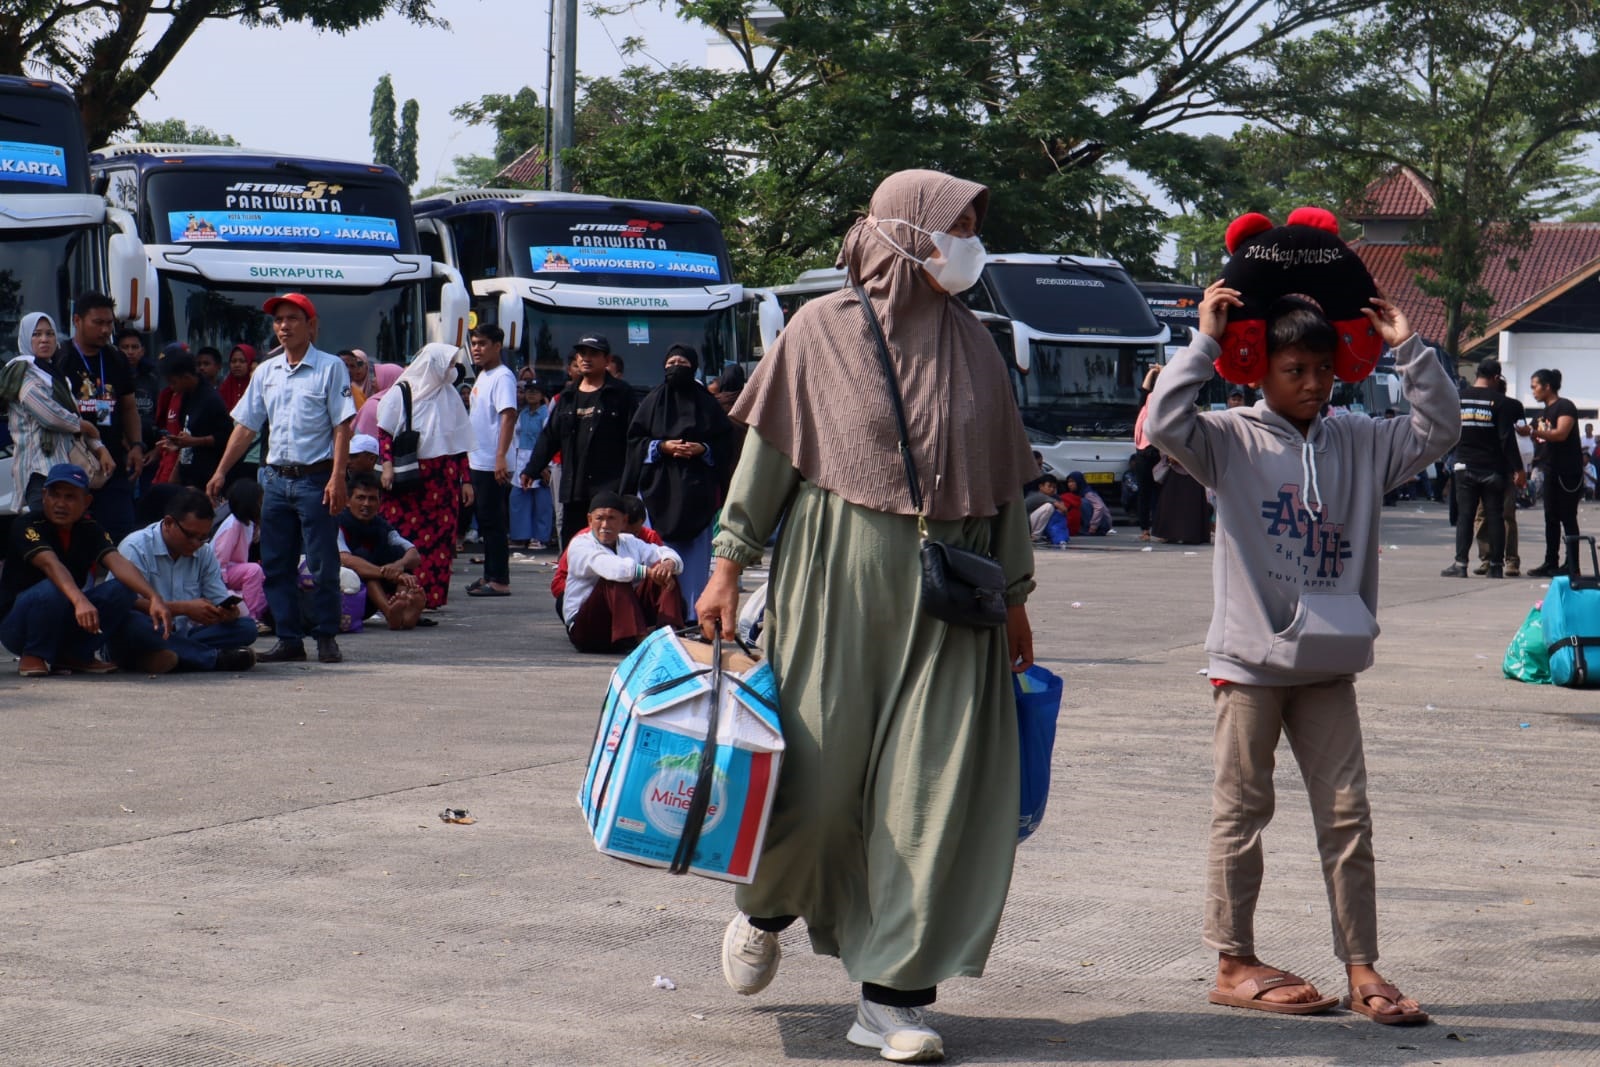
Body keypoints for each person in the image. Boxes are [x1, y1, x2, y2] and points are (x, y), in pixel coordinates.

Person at [696, 170, 1037, 1063]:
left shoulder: (978, 347)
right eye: (956, 225)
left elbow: (1002, 487)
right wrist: (727, 565)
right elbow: (764, 464)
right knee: (811, 777)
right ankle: (764, 906)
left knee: (931, 794)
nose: (969, 242)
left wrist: (1020, 599)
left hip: (954, 596)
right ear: (905, 234)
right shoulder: (817, 334)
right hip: (832, 579)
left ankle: (891, 1000)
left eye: (973, 224)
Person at [1145, 281, 1456, 1027]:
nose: (1313, 383)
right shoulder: (1227, 440)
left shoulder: (1361, 440)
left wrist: (1408, 347)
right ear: (1260, 369)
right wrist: (1205, 341)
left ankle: (1362, 965)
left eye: (1322, 367)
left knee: (1349, 816)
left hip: (1328, 664)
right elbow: (1162, 423)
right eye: (1294, 369)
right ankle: (1232, 958)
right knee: (1242, 811)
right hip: (1250, 664)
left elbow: (1439, 428)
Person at [206, 292, 355, 665]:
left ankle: (325, 636)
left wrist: (338, 478)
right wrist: (221, 470)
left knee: (322, 565)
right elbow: (245, 427)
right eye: (278, 320)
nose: (284, 326)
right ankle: (289, 638)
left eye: (292, 319)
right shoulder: (266, 372)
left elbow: (342, 426)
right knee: (276, 565)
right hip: (273, 479)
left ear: (311, 325)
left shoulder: (330, 367)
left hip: (315, 479)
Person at [0, 464, 173, 677]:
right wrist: (80, 600)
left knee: (122, 589)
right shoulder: (27, 524)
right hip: (17, 624)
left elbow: (117, 562)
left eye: (70, 497)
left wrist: (153, 596)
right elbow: (51, 564)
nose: (60, 504)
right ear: (44, 496)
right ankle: (34, 654)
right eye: (55, 495)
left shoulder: (90, 528)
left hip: (63, 614)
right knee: (54, 587)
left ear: (87, 502)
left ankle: (76, 655)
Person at [623, 344, 734, 620]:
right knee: (657, 553)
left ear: (693, 367)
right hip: (657, 490)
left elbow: (725, 443)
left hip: (697, 493)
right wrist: (661, 447)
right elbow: (635, 440)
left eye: (682, 363)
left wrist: (703, 450)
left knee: (695, 559)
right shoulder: (652, 401)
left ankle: (691, 616)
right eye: (671, 361)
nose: (676, 367)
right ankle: (657, 612)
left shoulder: (708, 405)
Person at [110, 488, 259, 673]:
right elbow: (124, 603)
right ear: (169, 523)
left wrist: (227, 613)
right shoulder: (136, 547)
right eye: (190, 535)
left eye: (203, 537)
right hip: (147, 630)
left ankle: (169, 656)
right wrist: (184, 608)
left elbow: (219, 597)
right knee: (135, 625)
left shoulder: (203, 552)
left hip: (180, 634)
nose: (196, 543)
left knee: (246, 627)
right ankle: (212, 658)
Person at [374, 343, 472, 610]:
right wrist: (387, 466)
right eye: (448, 364)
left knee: (440, 539)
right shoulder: (401, 392)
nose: (451, 370)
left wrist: (467, 481)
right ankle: (400, 593)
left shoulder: (449, 395)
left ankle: (430, 598)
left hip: (445, 480)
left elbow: (460, 442)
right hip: (410, 476)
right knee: (405, 534)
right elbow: (384, 432)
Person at [520, 335, 637, 551]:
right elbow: (550, 436)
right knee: (574, 549)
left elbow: (635, 440)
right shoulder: (567, 396)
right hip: (574, 487)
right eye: (583, 354)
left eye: (594, 354)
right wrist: (532, 468)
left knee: (607, 550)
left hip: (609, 487)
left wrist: (630, 483)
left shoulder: (622, 394)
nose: (587, 359)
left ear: (606, 359)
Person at [2, 312, 114, 513]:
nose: (44, 339)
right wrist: (85, 426)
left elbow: (72, 416)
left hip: (64, 470)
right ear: (26, 338)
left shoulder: (55, 376)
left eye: (50, 334)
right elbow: (51, 416)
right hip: (39, 472)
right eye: (36, 334)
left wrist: (100, 448)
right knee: (43, 534)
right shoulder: (23, 374)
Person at [56, 291, 144, 541]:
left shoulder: (116, 358)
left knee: (120, 534)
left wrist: (136, 445)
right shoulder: (61, 358)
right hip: (71, 462)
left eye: (110, 323)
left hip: (112, 463)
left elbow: (128, 406)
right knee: (72, 537)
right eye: (98, 323)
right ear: (77, 320)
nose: (106, 330)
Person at [562, 491, 684, 652]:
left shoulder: (630, 541)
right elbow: (613, 567)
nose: (605, 525)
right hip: (587, 628)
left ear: (623, 521)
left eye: (612, 518)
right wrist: (648, 572)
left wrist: (668, 564)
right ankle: (641, 640)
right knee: (616, 578)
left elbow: (664, 552)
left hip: (619, 622)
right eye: (599, 518)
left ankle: (670, 634)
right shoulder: (580, 544)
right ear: (590, 520)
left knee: (665, 573)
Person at [1442, 358, 1524, 578]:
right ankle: (1496, 566)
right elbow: (1507, 439)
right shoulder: (1501, 403)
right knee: (1495, 515)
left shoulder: (1458, 399)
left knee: (1466, 517)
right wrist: (1519, 469)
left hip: (1464, 466)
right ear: (1496, 378)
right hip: (1493, 470)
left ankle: (1460, 565)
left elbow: (1449, 431)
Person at [465, 324, 518, 597]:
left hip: (492, 462)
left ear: (498, 346)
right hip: (479, 459)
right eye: (474, 343)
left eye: (483, 343)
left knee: (494, 522)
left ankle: (499, 579)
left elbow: (508, 415)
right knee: (486, 521)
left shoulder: (502, 376)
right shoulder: (483, 375)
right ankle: (488, 574)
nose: (476, 348)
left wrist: (500, 457)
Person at [338, 470, 428, 630]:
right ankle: (390, 613)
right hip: (348, 598)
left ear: (379, 503)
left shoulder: (382, 526)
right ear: (347, 501)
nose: (366, 504)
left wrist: (399, 566)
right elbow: (346, 559)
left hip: (377, 590)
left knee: (398, 555)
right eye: (360, 498)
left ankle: (405, 611)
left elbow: (414, 555)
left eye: (372, 499)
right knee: (364, 565)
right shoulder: (337, 524)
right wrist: (393, 573)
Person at [1522, 369, 1584, 578]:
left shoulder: (1564, 406)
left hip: (1568, 473)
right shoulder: (1540, 415)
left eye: (1535, 386)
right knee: (1551, 518)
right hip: (1549, 470)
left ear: (1547, 386)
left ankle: (1572, 565)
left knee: (1568, 517)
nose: (1533, 391)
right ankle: (1551, 562)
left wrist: (1533, 432)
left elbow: (1560, 434)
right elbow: (1529, 433)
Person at [153, 352, 232, 490]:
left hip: (207, 477)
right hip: (186, 472)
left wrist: (195, 441)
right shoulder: (186, 396)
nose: (171, 387)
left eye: (173, 382)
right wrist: (178, 442)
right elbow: (186, 432)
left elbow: (226, 437)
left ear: (186, 377)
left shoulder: (211, 399)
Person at [213, 478, 268, 630]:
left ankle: (258, 614)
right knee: (253, 571)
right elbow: (220, 557)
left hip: (233, 569)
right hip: (220, 572)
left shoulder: (247, 522)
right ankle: (251, 617)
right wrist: (220, 585)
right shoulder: (234, 524)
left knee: (263, 575)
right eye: (259, 501)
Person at [510, 382, 554, 552]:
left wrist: (546, 464)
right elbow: (515, 436)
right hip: (522, 457)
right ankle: (520, 536)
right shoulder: (523, 414)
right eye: (528, 391)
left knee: (542, 500)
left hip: (539, 457)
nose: (531, 394)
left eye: (535, 392)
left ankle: (540, 537)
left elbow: (549, 439)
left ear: (542, 395)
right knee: (518, 496)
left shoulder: (546, 414)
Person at [1131, 364, 1162, 541]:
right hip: (1143, 453)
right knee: (1145, 492)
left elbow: (1170, 386)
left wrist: (1163, 372)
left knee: (1159, 492)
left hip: (1158, 452)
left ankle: (1158, 528)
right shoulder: (1144, 406)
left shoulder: (1162, 406)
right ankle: (1145, 529)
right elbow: (1144, 389)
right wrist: (1152, 372)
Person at [353, 362, 403, 440]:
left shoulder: (373, 405)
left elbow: (358, 438)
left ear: (388, 379)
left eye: (378, 376)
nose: (373, 380)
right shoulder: (406, 405)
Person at [1024, 473, 1076, 542]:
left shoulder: (1053, 496)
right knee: (1049, 507)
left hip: (1030, 524)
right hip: (1024, 525)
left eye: (1054, 487)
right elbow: (1063, 509)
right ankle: (1035, 537)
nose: (1052, 489)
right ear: (1041, 486)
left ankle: (1044, 535)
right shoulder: (1038, 495)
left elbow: (1063, 510)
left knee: (1055, 511)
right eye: (1049, 486)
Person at [1063, 470, 1113, 535]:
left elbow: (1099, 507)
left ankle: (1090, 528)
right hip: (1097, 523)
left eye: (1072, 482)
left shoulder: (1088, 494)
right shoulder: (1078, 493)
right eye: (1069, 482)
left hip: (1102, 524)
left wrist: (1093, 525)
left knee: (1082, 502)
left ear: (1079, 482)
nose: (1070, 484)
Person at [218, 343, 255, 412]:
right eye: (233, 361)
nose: (237, 365)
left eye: (242, 361)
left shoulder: (256, 387)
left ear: (250, 363)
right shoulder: (225, 387)